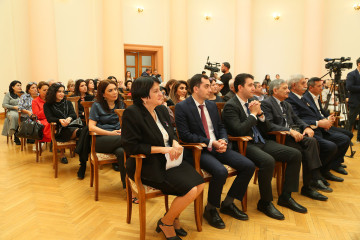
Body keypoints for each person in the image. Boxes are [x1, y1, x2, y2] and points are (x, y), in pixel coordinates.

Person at [121, 76, 205, 240]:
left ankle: (168, 218)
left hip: (170, 160)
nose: (161, 94)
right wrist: (163, 149)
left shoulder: (160, 109)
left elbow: (171, 132)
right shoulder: (132, 113)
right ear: (144, 96)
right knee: (191, 190)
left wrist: (174, 143)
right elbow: (131, 147)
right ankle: (167, 224)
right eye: (156, 91)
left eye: (160, 90)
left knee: (200, 184)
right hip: (146, 163)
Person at [175, 74, 255, 229]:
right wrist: (212, 142)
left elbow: (221, 127)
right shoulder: (182, 107)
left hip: (218, 146)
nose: (211, 89)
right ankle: (210, 209)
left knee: (248, 166)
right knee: (220, 172)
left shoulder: (212, 105)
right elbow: (185, 135)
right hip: (199, 150)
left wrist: (223, 140)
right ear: (196, 88)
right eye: (206, 86)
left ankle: (228, 203)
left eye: (210, 85)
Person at [223, 73, 305, 220]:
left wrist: (260, 115)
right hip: (244, 144)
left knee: (295, 154)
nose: (254, 88)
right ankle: (265, 202)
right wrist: (253, 115)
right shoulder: (231, 105)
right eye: (250, 85)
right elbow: (239, 130)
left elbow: (266, 128)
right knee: (268, 161)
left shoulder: (253, 100)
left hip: (261, 140)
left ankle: (286, 196)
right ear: (240, 87)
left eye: (254, 85)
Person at [261, 79, 331, 201]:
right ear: (275, 90)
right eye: (284, 88)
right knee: (304, 152)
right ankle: (306, 185)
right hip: (278, 138)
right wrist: (289, 131)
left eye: (288, 88)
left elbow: (297, 119)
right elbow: (269, 125)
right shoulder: (267, 103)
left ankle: (310, 184)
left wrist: (307, 127)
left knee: (312, 141)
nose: (288, 90)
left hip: (293, 136)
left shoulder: (286, 104)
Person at [286, 75, 350, 182]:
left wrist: (325, 120)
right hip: (305, 131)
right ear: (294, 85)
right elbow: (296, 119)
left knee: (343, 139)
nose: (306, 86)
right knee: (330, 146)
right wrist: (318, 123)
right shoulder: (291, 99)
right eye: (303, 83)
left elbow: (314, 113)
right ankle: (317, 175)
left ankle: (324, 171)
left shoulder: (301, 97)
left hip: (315, 128)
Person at [303, 77, 352, 174]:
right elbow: (311, 116)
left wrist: (329, 117)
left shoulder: (316, 96)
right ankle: (332, 165)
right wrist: (325, 121)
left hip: (323, 123)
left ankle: (336, 162)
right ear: (311, 88)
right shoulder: (306, 98)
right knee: (344, 139)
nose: (321, 88)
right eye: (319, 86)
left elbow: (321, 111)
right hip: (318, 126)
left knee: (349, 134)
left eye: (321, 85)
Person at [88, 80, 127, 187]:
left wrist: (123, 130)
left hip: (118, 139)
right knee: (128, 140)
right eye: (110, 90)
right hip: (101, 140)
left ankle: (127, 187)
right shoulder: (97, 105)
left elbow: (126, 122)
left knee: (121, 152)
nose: (115, 92)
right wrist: (111, 133)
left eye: (115, 89)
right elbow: (91, 127)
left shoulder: (120, 104)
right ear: (103, 94)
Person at [44, 83, 81, 165]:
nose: (62, 94)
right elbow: (49, 118)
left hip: (71, 126)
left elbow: (73, 115)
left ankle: (81, 152)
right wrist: (60, 120)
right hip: (58, 130)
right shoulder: (47, 105)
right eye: (59, 91)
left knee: (83, 131)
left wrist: (69, 118)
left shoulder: (67, 103)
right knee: (82, 132)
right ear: (53, 92)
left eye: (63, 91)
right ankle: (81, 153)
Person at [2, 80, 23, 145]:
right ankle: (16, 135)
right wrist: (14, 107)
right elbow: (4, 105)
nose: (19, 87)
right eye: (18, 85)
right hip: (12, 111)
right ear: (13, 87)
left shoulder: (23, 93)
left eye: (20, 85)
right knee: (15, 116)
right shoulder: (8, 94)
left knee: (28, 116)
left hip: (22, 111)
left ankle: (28, 136)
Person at [346, 57, 360, 141]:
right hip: (355, 101)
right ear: (359, 64)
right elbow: (349, 87)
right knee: (351, 121)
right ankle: (347, 138)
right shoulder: (352, 74)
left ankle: (359, 138)